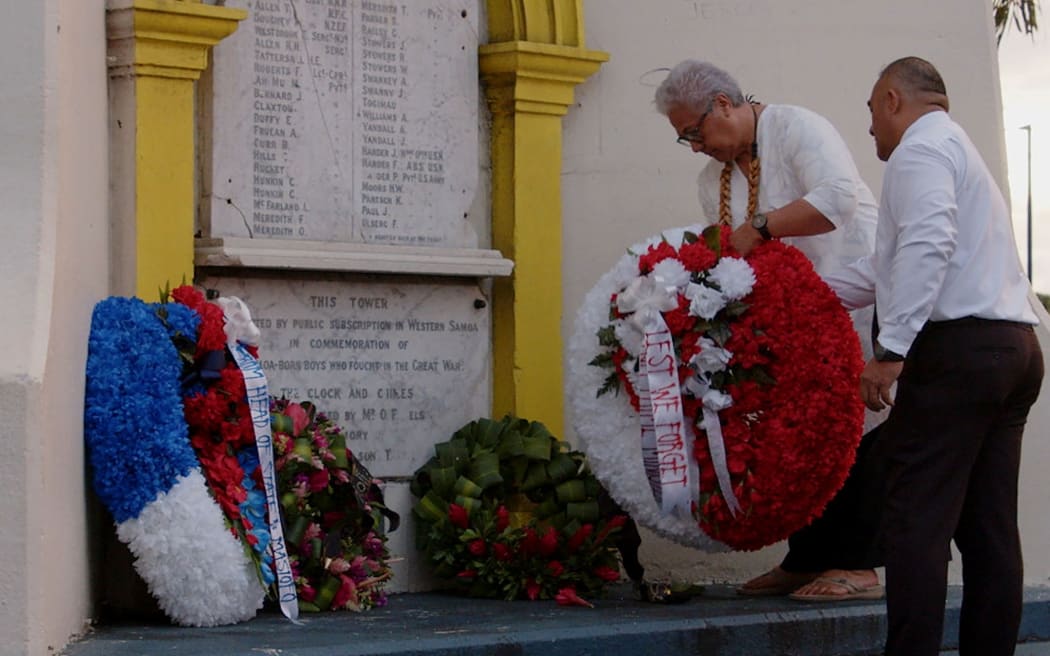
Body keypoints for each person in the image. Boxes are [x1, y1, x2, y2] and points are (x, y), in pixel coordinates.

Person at [825, 56, 1044, 655]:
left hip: (958, 354)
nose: (869, 127)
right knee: (989, 528)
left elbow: (927, 243)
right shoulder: (956, 149)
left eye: (871, 111)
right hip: (1014, 350)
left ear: (894, 99)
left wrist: (892, 349)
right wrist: (810, 293)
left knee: (915, 523)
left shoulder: (919, 152)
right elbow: (888, 266)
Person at [653, 60, 886, 601]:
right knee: (796, 430)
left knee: (864, 431)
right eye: (683, 138)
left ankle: (860, 566)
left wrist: (759, 227)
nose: (693, 146)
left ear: (725, 104)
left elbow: (837, 199)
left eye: (695, 131)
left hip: (860, 296)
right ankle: (807, 559)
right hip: (790, 321)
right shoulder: (713, 179)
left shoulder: (796, 126)